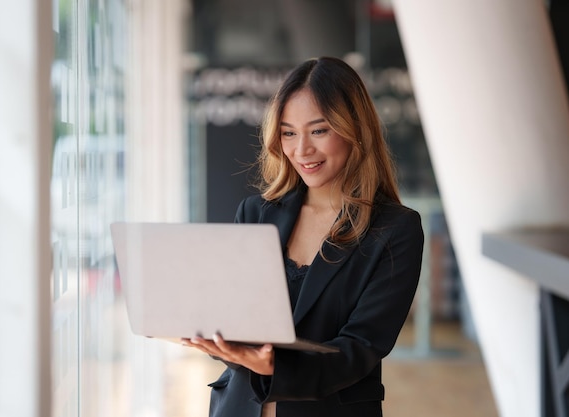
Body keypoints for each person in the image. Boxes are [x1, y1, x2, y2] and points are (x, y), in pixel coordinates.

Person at [182, 56, 424, 417]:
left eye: (319, 130)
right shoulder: (255, 214)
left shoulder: (395, 230)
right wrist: (214, 336)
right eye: (289, 132)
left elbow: (361, 348)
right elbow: (234, 321)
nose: (301, 150)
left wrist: (274, 369)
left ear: (355, 129)